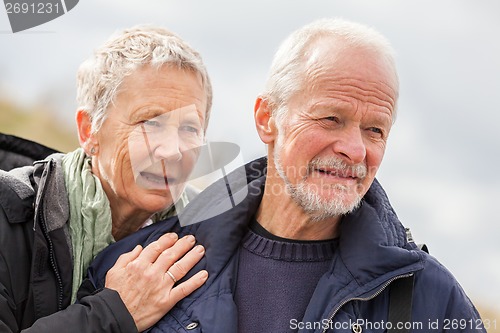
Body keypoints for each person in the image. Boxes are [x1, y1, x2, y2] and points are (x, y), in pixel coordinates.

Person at [83, 18, 486, 332]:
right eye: (331, 118)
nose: (355, 149)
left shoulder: (430, 298)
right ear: (267, 119)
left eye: (374, 130)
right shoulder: (141, 269)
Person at [0, 25, 213, 332]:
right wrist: (114, 313)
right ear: (89, 131)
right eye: (150, 122)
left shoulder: (210, 237)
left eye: (190, 129)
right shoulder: (8, 217)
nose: (173, 151)